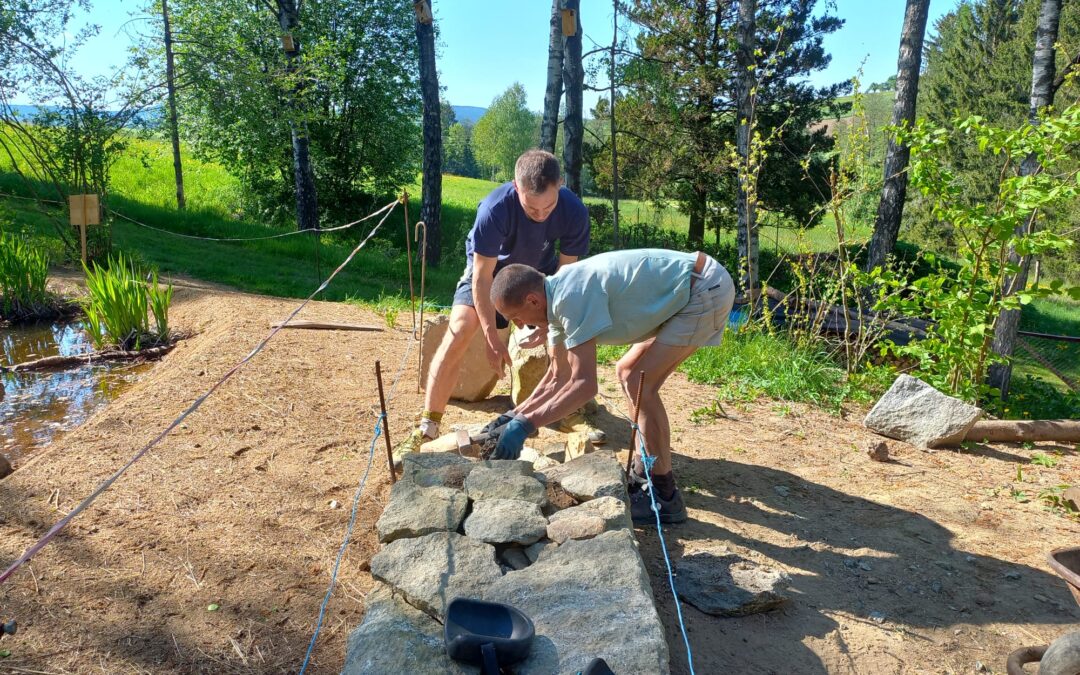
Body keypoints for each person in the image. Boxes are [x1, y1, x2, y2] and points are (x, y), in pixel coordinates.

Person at [484, 248, 735, 525]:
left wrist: (527, 424)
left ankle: (663, 495)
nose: (519, 326)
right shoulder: (554, 299)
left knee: (643, 382)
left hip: (702, 287)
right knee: (629, 373)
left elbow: (584, 385)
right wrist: (513, 417)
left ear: (532, 300)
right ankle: (645, 471)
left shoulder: (571, 297)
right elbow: (558, 375)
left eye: (516, 318)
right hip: (685, 287)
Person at [393, 149, 600, 463]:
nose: (542, 214)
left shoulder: (573, 210)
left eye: (549, 206)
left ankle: (571, 412)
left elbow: (566, 278)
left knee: (565, 338)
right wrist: (491, 336)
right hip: (492, 275)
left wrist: (550, 326)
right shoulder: (494, 208)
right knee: (461, 329)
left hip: (535, 279)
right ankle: (428, 426)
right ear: (517, 188)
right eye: (533, 208)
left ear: (560, 184)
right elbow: (481, 277)